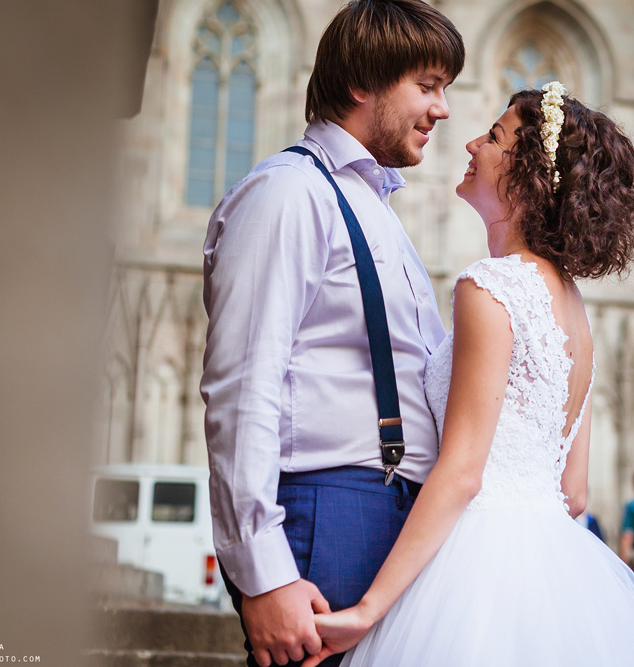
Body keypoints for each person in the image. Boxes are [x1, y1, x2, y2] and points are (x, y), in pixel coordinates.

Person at [302, 84, 634, 665]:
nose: (473, 143)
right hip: (558, 568)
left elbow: (461, 473)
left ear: (529, 176)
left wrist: (368, 611)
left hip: (475, 562)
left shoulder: (491, 287)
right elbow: (574, 493)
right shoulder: (575, 311)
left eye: (495, 136)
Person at [199, 2, 464, 666]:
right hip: (330, 511)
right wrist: (264, 574)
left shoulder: (376, 206)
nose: (442, 109)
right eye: (427, 86)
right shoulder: (287, 192)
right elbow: (243, 387)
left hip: (393, 518)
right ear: (361, 83)